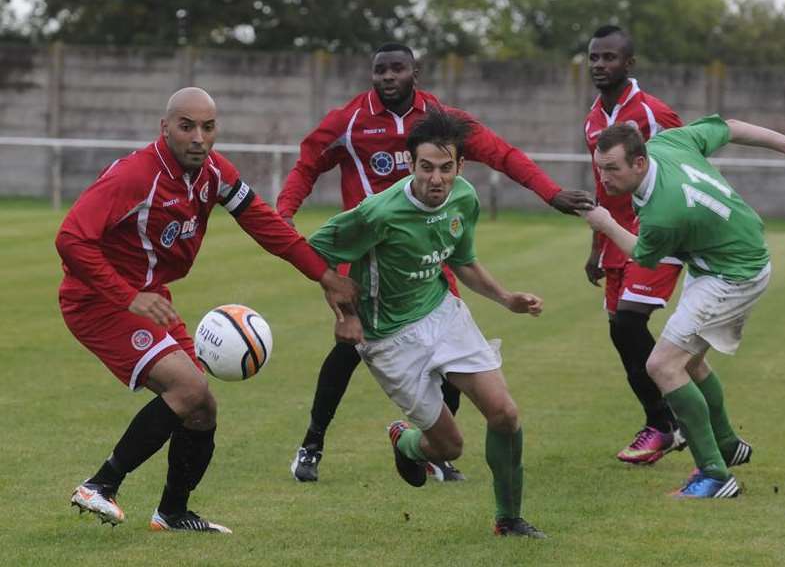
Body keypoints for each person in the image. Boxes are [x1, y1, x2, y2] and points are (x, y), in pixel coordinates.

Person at [278, 42, 593, 483]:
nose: (388, 77)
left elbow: (502, 154)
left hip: (432, 253)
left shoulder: (443, 124)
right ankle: (312, 444)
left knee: (452, 357)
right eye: (380, 70)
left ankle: (434, 449)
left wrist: (551, 193)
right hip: (367, 259)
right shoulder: (349, 121)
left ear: (415, 72)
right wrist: (282, 216)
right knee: (347, 347)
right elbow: (307, 163)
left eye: (397, 68)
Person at [57, 87, 358, 532]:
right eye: (187, 126)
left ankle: (172, 514)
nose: (199, 137)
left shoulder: (214, 172)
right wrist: (128, 296)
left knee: (202, 409)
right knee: (189, 391)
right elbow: (70, 238)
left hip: (150, 297)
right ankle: (100, 485)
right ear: (166, 128)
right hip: (100, 301)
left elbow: (263, 222)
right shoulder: (136, 176)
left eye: (208, 126)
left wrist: (324, 275)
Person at [308, 108, 547, 537]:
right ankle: (405, 440)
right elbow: (315, 253)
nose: (435, 179)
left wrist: (506, 298)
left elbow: (462, 259)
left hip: (442, 312)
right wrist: (344, 314)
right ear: (410, 164)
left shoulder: (464, 197)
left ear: (460, 165)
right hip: (389, 338)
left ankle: (508, 519)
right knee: (448, 446)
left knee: (505, 414)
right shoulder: (378, 213)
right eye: (425, 168)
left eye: (445, 168)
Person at [583, 116, 785, 497]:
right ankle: (725, 443)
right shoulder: (667, 144)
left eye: (612, 169)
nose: (604, 179)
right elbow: (731, 126)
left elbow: (643, 254)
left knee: (662, 365)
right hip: (721, 260)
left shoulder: (664, 211)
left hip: (733, 274)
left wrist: (604, 222)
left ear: (639, 163)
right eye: (599, 168)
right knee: (688, 361)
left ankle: (715, 476)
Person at [583, 25, 687, 465]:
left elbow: (689, 157)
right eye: (594, 58)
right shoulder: (591, 119)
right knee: (620, 333)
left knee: (627, 325)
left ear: (630, 63)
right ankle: (668, 419)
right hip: (614, 241)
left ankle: (668, 423)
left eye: (610, 58)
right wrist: (596, 245)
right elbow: (602, 187)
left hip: (655, 236)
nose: (601, 66)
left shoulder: (652, 112)